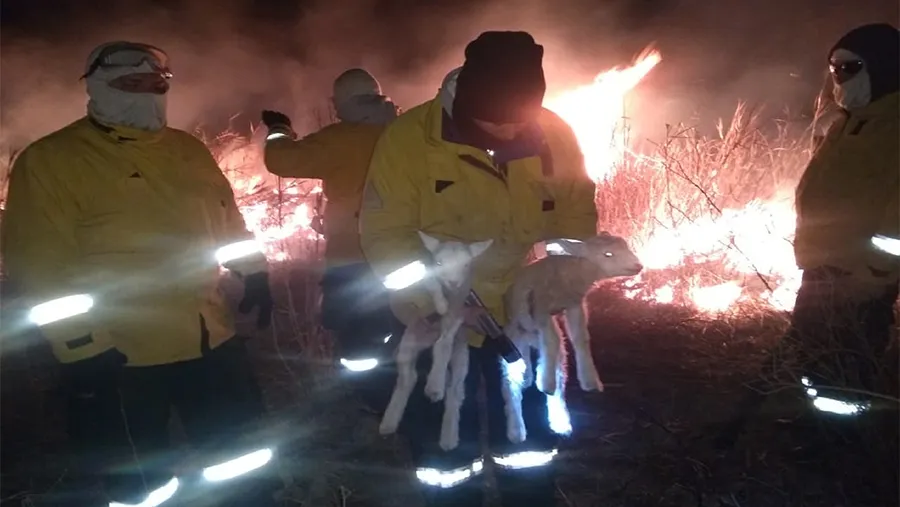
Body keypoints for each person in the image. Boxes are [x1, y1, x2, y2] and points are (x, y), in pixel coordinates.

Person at [2, 41, 279, 506]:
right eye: (132, 84)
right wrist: (81, 347)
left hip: (210, 339)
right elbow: (41, 267)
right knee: (142, 487)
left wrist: (253, 272)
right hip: (121, 357)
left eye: (157, 85)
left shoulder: (187, 151)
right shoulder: (52, 161)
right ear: (96, 87)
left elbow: (226, 222)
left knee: (242, 464)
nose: (148, 94)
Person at [359, 31, 599, 507]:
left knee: (530, 441)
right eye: (499, 121)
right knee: (447, 448)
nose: (512, 132)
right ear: (468, 98)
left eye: (520, 121)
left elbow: (575, 218)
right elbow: (386, 236)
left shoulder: (553, 133)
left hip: (521, 312)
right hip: (438, 317)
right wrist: (440, 305)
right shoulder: (410, 141)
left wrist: (562, 279)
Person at [715, 23, 899, 459]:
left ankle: (843, 452)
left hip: (860, 273)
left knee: (849, 362)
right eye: (834, 68)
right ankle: (820, 427)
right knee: (816, 355)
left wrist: (875, 271)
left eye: (850, 67)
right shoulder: (850, 123)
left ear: (884, 68)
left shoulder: (894, 127)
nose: (839, 76)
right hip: (824, 263)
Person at [260, 68, 401, 413]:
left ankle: (373, 400)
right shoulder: (402, 132)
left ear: (342, 103)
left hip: (352, 258)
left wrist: (279, 131)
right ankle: (405, 386)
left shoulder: (342, 138)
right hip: (401, 254)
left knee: (356, 337)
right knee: (398, 326)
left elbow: (281, 159)